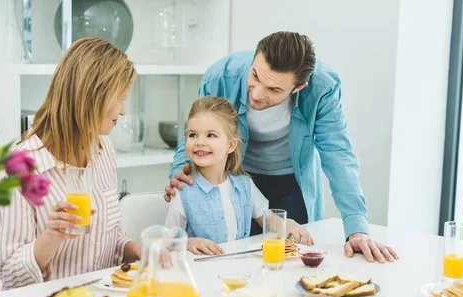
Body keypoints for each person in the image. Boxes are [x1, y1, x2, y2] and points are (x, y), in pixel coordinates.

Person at [165, 31, 398, 263]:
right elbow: (195, 129)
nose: (256, 94)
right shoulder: (220, 77)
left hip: (291, 181)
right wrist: (180, 172)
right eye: (255, 76)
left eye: (274, 89)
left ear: (299, 87)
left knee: (289, 259)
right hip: (239, 177)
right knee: (242, 256)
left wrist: (357, 229)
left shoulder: (323, 88)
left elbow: (338, 155)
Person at [0, 38, 141, 294]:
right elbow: (9, 276)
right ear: (91, 97)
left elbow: (107, 235)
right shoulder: (18, 172)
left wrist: (146, 252)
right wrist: (50, 237)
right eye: (119, 99)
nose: (122, 111)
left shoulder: (103, 149)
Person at [164, 96, 313, 256]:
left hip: (240, 273)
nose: (199, 142)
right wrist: (187, 242)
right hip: (200, 274)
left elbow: (268, 219)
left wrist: (288, 225)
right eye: (193, 135)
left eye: (211, 135)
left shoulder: (244, 185)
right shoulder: (181, 191)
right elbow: (166, 240)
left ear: (230, 145)